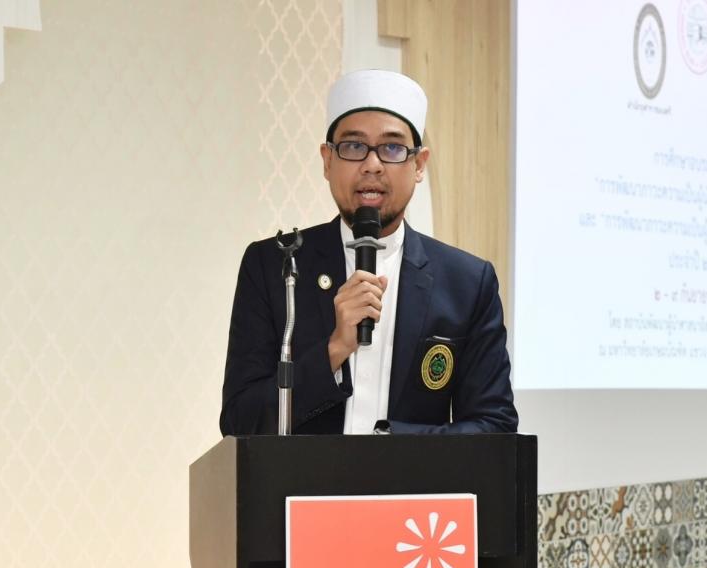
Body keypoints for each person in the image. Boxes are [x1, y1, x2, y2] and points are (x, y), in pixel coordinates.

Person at [220, 69, 517, 435]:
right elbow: (239, 421)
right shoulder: (276, 267)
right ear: (327, 161)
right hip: (302, 476)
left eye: (392, 148)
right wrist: (334, 349)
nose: (372, 165)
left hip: (412, 476)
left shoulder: (466, 284)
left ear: (419, 164)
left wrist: (390, 446)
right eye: (353, 147)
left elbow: (495, 427)